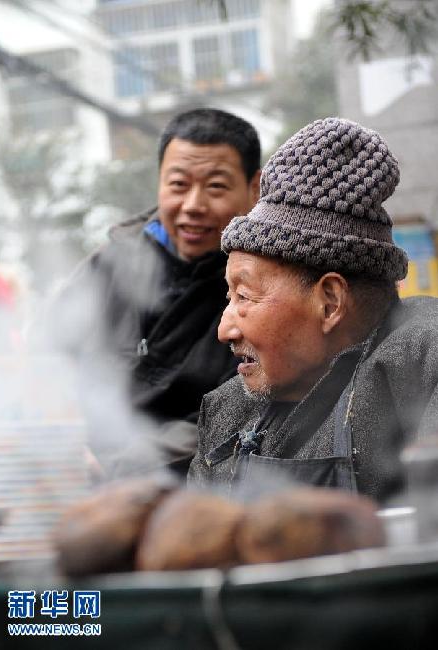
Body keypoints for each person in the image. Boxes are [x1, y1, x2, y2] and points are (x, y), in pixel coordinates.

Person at [188, 116, 438, 504]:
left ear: (330, 302)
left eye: (245, 297)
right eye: (229, 298)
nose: (225, 330)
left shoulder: (424, 363)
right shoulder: (226, 411)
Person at [53, 108, 261, 475]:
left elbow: (249, 409)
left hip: (198, 487)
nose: (193, 205)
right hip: (92, 474)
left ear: (254, 188)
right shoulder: (110, 263)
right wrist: (67, 435)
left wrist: (125, 463)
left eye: (215, 186)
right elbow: (49, 354)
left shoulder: (263, 286)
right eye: (178, 185)